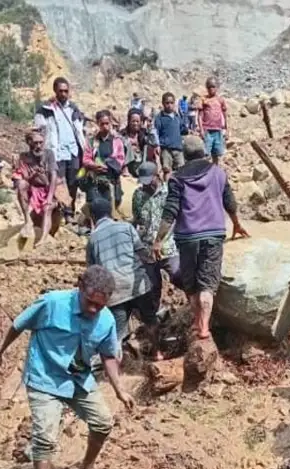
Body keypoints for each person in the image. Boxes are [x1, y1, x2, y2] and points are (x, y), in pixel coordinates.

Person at [0, 265, 135, 469]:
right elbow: (18, 325)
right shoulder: (51, 303)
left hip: (78, 379)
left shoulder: (106, 320)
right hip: (44, 377)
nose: (94, 309)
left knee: (103, 423)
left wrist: (120, 390)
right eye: (90, 302)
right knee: (45, 437)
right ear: (79, 286)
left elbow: (108, 355)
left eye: (100, 305)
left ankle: (86, 467)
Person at [154, 136, 249, 340]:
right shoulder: (218, 173)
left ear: (185, 155)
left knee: (191, 283)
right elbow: (230, 203)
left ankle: (197, 321)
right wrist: (237, 224)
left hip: (187, 236)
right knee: (207, 283)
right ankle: (205, 327)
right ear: (204, 151)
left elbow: (170, 211)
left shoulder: (177, 178)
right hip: (213, 234)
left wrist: (159, 240)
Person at [85, 196, 160, 359]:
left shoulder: (92, 239)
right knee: (150, 320)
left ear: (93, 217)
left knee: (117, 334)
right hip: (136, 284)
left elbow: (92, 271)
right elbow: (141, 251)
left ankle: (116, 371)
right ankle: (157, 353)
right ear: (110, 212)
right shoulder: (126, 227)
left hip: (114, 292)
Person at [132, 161, 181, 335]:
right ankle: (153, 326)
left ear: (157, 175)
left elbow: (176, 217)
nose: (146, 185)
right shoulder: (138, 195)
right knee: (152, 287)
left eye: (149, 180)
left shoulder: (169, 193)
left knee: (178, 275)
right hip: (147, 250)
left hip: (169, 246)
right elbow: (137, 220)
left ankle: (189, 310)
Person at [35, 77, 86, 222]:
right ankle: (64, 212)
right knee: (59, 183)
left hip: (73, 151)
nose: (63, 94)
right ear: (55, 91)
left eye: (66, 91)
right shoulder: (46, 110)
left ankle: (70, 210)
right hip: (57, 152)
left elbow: (80, 129)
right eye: (61, 91)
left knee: (73, 182)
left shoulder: (73, 108)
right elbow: (39, 130)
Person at [13, 130, 63, 243]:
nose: (38, 146)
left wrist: (50, 197)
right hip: (34, 189)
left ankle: (43, 238)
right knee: (21, 184)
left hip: (49, 187)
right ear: (29, 142)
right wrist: (34, 175)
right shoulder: (24, 157)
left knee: (47, 208)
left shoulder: (49, 154)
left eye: (41, 143)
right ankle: (27, 220)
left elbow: (53, 176)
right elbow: (24, 178)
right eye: (35, 143)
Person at [154, 92, 188, 177]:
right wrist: (157, 145)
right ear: (163, 104)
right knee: (167, 169)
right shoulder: (160, 118)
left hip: (178, 148)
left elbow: (182, 129)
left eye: (172, 103)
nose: (169, 105)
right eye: (167, 103)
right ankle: (167, 188)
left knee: (182, 169)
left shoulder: (177, 117)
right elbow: (155, 132)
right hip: (166, 149)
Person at [198, 78, 228, 165]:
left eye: (213, 87)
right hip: (207, 130)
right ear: (207, 88)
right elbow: (200, 116)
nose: (211, 89)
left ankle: (215, 172)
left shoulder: (220, 100)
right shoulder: (204, 100)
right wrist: (201, 130)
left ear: (217, 87)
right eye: (209, 87)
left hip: (218, 130)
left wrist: (227, 129)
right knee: (206, 153)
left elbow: (225, 115)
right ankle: (205, 172)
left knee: (216, 154)